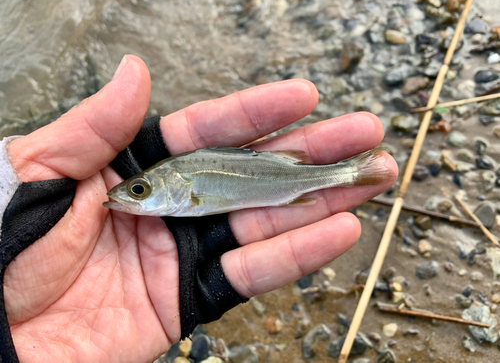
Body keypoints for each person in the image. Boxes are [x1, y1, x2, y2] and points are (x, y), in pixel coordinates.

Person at [1, 55, 397, 362]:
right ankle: (350, 172)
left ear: (179, 187)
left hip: (283, 180)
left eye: (138, 189)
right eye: (138, 189)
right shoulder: (172, 192)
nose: (128, 198)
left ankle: (349, 173)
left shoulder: (184, 192)